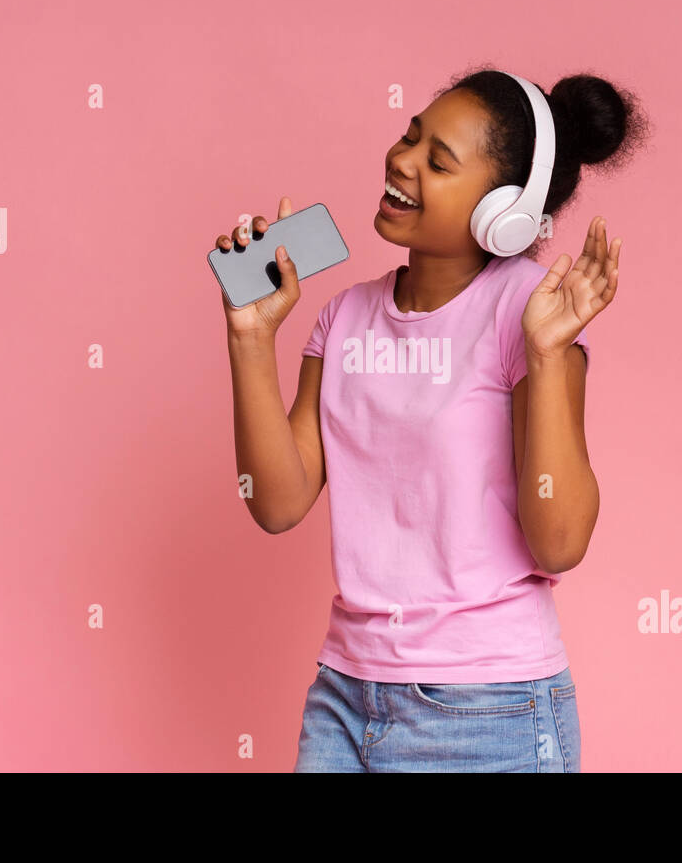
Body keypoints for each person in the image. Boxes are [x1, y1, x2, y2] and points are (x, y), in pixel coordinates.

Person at [216, 66, 649, 772]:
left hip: (489, 707)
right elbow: (276, 502)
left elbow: (561, 541)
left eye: (437, 161)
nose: (402, 160)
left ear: (502, 214)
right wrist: (251, 337)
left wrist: (545, 354)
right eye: (409, 136)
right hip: (346, 695)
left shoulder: (531, 314)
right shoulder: (345, 316)